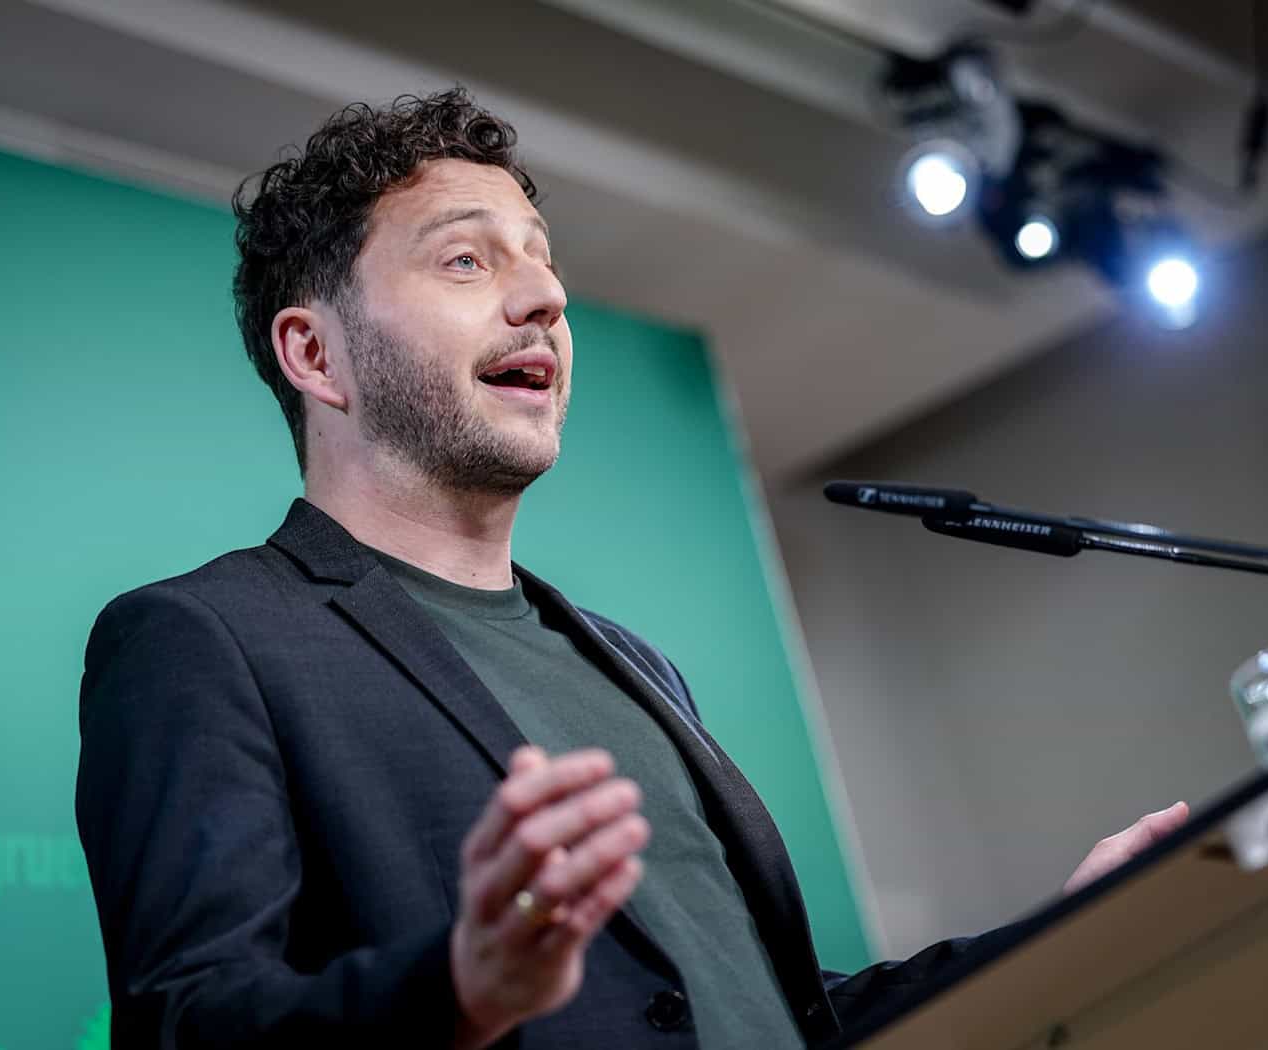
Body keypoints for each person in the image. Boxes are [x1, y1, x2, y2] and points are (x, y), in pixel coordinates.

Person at [74, 88, 1189, 1049]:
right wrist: (457, 992)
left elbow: (777, 1015)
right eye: (465, 259)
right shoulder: (201, 639)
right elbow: (193, 1022)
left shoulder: (631, 665)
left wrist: (1064, 938)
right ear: (314, 353)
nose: (545, 300)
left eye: (542, 265)